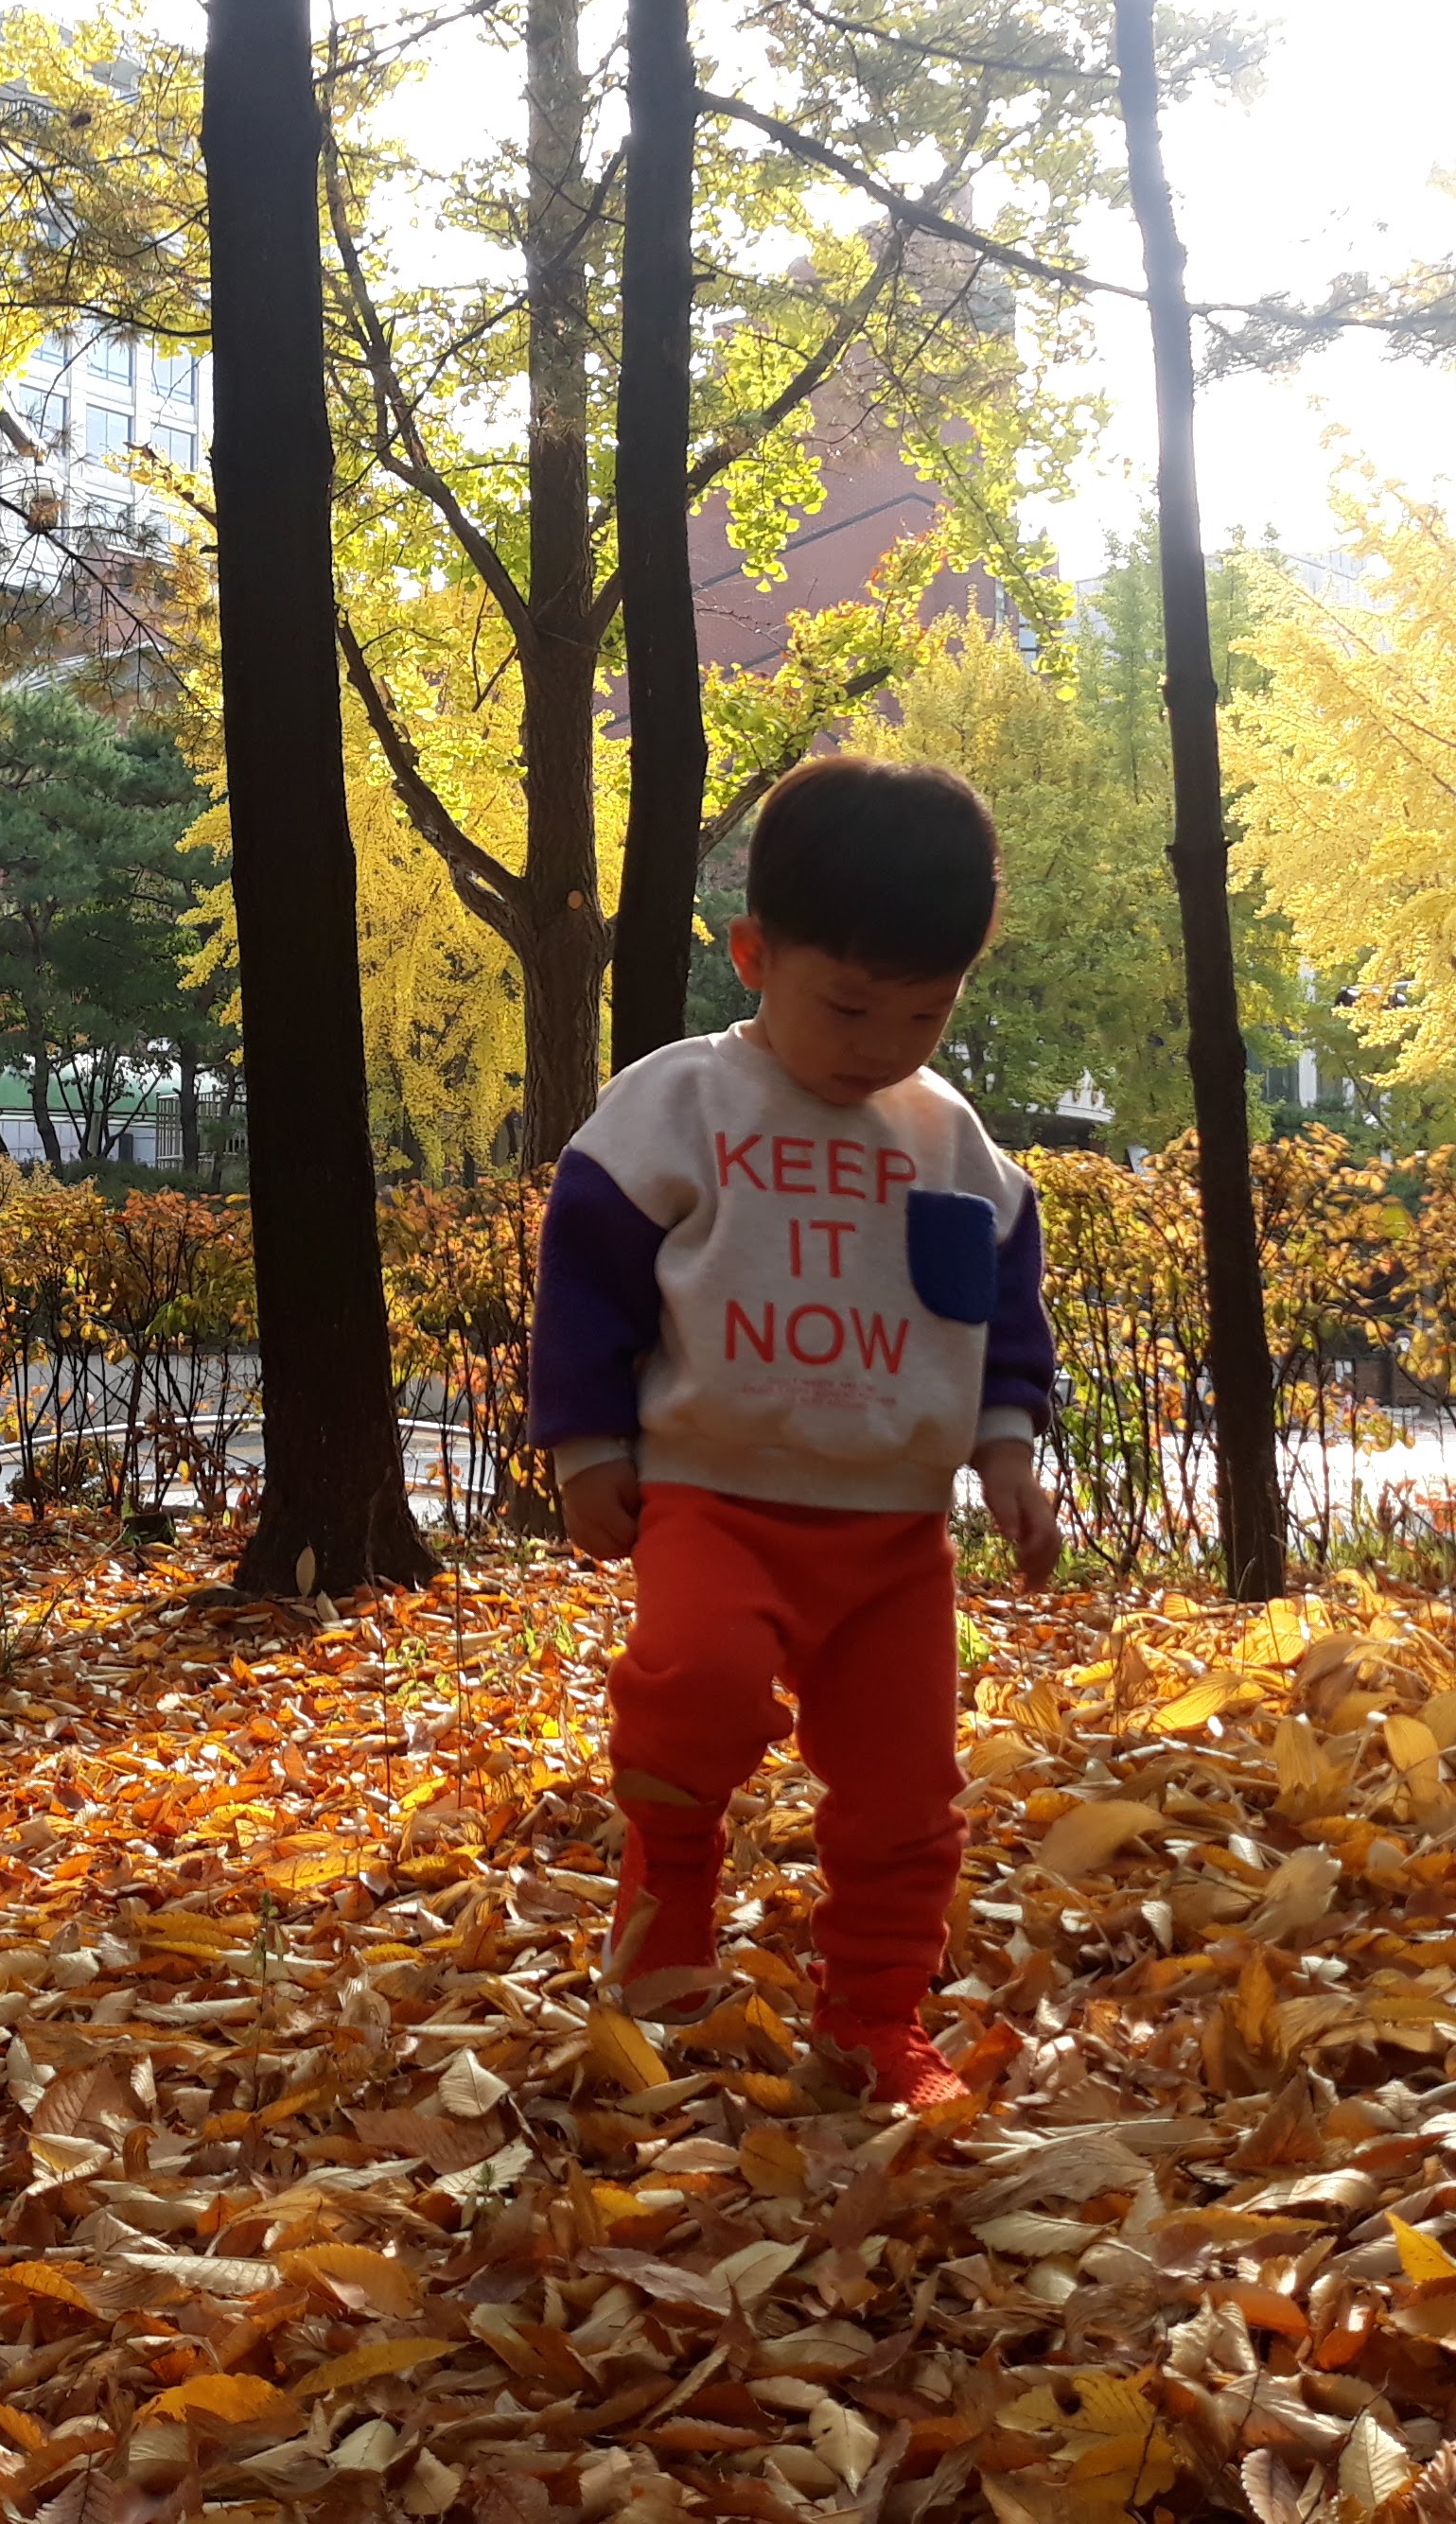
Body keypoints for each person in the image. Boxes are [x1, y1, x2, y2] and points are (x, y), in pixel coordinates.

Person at [528, 755, 1057, 2112]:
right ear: (754, 954)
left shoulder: (947, 1140)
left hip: (893, 1537)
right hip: (715, 1494)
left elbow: (996, 1308)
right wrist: (587, 1448)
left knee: (904, 1798)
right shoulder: (681, 1102)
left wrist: (1009, 1448)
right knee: (692, 1688)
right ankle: (669, 1921)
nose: (881, 1044)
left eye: (924, 1013)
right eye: (850, 1005)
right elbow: (587, 1275)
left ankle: (879, 2017)